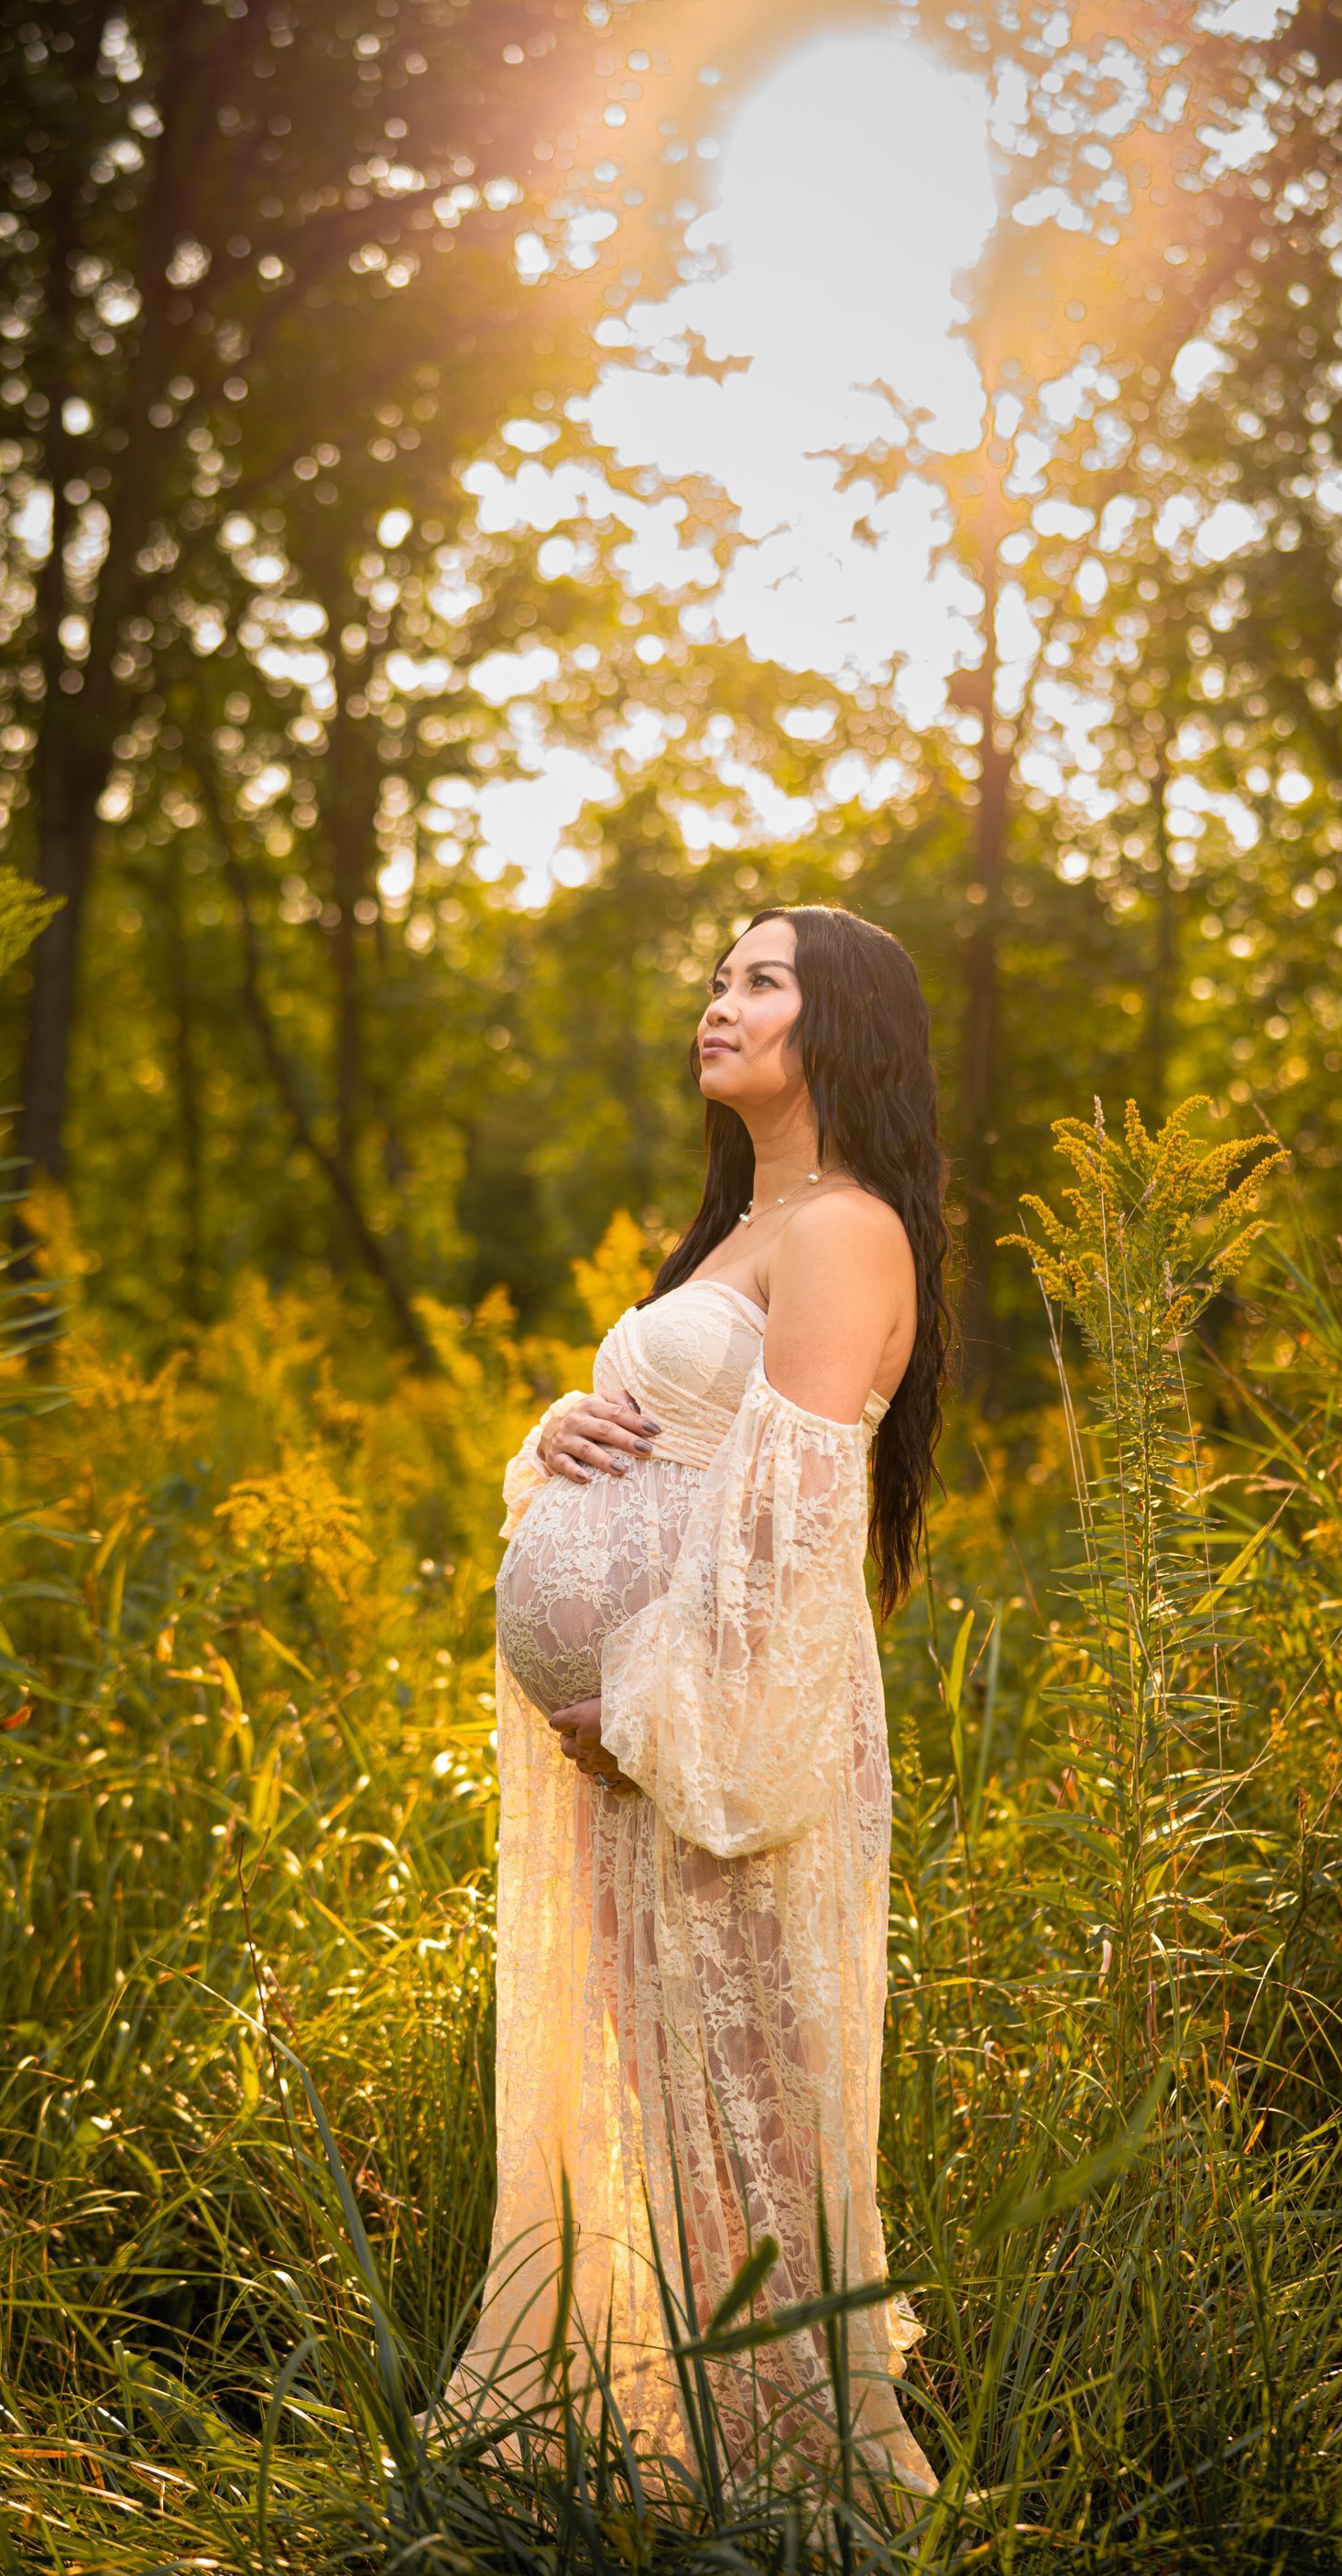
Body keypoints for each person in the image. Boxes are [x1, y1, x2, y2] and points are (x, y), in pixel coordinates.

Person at [440, 904, 952, 2505]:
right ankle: (673, 2451)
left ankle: (812, 2486)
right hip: (633, 1744)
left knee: (756, 2112)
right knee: (654, 2098)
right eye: (718, 974)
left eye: (759, 980)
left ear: (840, 1026)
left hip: (725, 1738)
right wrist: (570, 1433)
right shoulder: (742, 1225)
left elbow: (793, 1528)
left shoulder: (850, 1227)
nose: (717, 1001)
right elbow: (682, 1450)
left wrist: (657, 1702)